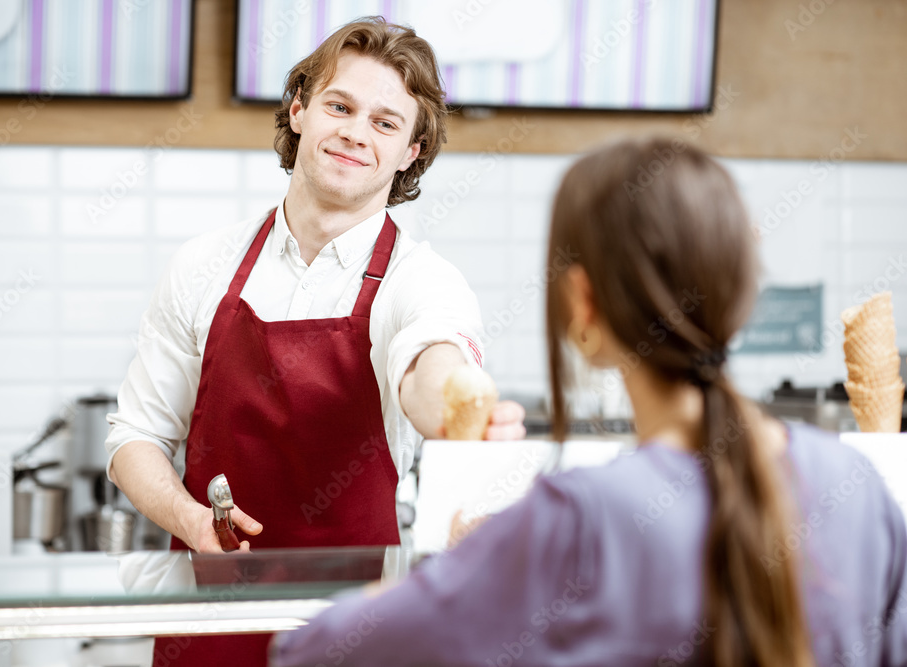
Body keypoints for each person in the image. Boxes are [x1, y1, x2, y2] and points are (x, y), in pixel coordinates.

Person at [268, 138, 907, 666]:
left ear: (582, 302)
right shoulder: (858, 487)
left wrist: (462, 568)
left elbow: (311, 655)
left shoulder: (575, 523)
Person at [104, 17, 526, 667]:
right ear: (299, 110)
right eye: (340, 105)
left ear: (411, 151)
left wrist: (461, 412)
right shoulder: (204, 264)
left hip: (360, 632)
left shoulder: (422, 279)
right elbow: (134, 435)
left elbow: (430, 362)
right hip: (205, 628)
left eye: (386, 122)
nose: (357, 132)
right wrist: (191, 522)